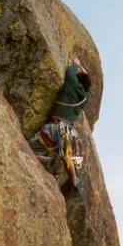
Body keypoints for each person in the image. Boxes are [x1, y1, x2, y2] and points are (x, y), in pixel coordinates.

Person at [28, 58, 91, 188]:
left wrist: (76, 65)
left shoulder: (72, 85)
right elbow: (89, 91)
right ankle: (73, 179)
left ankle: (50, 161)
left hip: (54, 128)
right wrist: (85, 74)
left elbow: (70, 73)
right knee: (66, 155)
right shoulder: (85, 98)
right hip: (69, 132)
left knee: (29, 150)